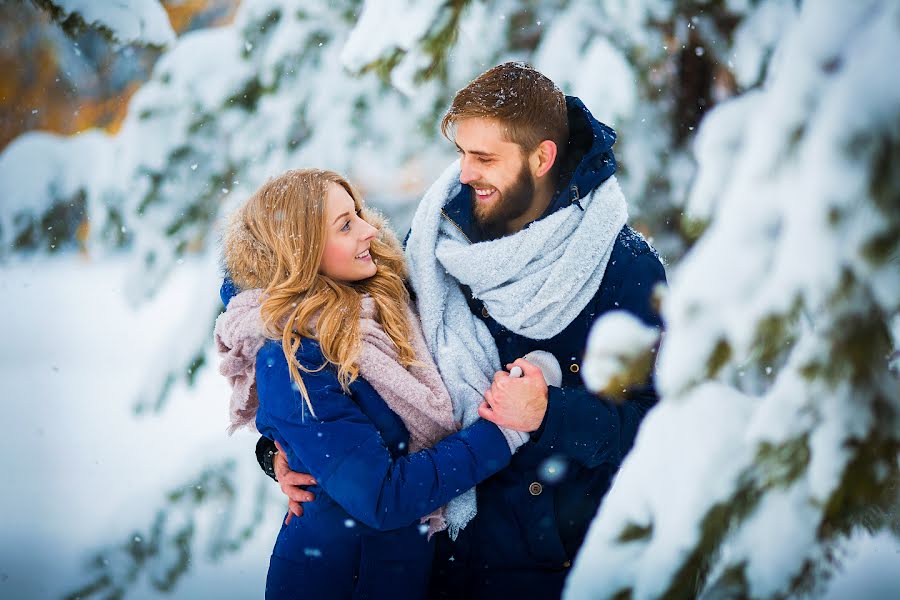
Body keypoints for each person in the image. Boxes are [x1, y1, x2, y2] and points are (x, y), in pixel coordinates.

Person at [261, 62, 668, 599]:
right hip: (439, 562)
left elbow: (657, 426)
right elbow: (354, 362)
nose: (464, 173)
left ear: (541, 157)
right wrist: (283, 451)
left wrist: (551, 413)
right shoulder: (435, 242)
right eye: (461, 153)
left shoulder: (623, 267)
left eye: (484, 158)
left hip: (555, 570)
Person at [214, 168, 532, 599]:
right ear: (300, 252)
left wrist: (278, 457)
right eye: (345, 225)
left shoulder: (387, 304)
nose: (369, 231)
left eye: (359, 213)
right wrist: (503, 432)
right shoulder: (293, 356)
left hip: (400, 570)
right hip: (341, 579)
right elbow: (382, 496)